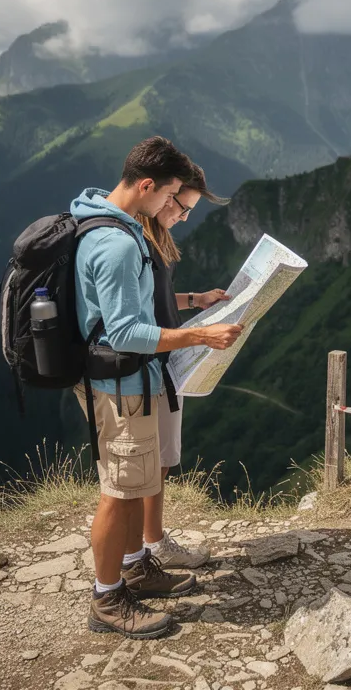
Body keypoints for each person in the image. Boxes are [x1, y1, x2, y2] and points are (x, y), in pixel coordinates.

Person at [71, 136, 243, 639]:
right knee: (119, 493)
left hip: (127, 380)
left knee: (134, 484)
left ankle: (135, 568)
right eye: (169, 196)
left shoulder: (103, 223)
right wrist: (201, 334)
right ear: (147, 185)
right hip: (122, 383)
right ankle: (107, 599)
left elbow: (137, 309)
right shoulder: (120, 243)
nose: (171, 207)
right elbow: (126, 332)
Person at [134, 164, 230, 568]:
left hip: (162, 360)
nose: (185, 216)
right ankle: (151, 544)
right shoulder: (137, 241)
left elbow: (162, 299)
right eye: (183, 206)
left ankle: (148, 540)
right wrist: (199, 337)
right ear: (162, 195)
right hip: (149, 364)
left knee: (163, 459)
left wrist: (197, 299)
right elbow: (138, 318)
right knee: (154, 461)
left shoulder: (156, 236)